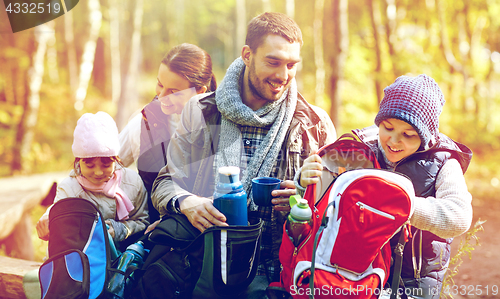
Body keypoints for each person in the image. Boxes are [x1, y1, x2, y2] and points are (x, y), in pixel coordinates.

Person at [151, 11, 336, 292]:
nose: (282, 75)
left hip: (277, 277)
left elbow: (332, 217)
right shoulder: (201, 111)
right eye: (273, 62)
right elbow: (165, 184)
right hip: (205, 267)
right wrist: (188, 203)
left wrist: (301, 206)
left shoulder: (315, 124)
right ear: (247, 54)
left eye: (291, 65)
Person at [297, 74, 473, 299]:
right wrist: (304, 182)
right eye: (387, 127)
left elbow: (459, 216)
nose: (393, 140)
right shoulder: (362, 149)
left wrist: (403, 207)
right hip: (359, 273)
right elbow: (322, 203)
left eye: (408, 135)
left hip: (414, 281)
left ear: (426, 136)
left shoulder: (444, 162)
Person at [118, 43, 217, 224]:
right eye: (160, 84)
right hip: (152, 232)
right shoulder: (144, 123)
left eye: (174, 92)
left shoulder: (220, 125)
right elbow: (103, 163)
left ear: (200, 92)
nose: (161, 96)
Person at [36, 111, 149, 247]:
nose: (98, 172)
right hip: (82, 259)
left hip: (123, 258)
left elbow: (143, 222)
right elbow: (59, 215)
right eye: (89, 165)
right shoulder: (70, 188)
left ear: (116, 159)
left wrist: (120, 230)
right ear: (78, 161)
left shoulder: (132, 183)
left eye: (106, 164)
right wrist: (49, 221)